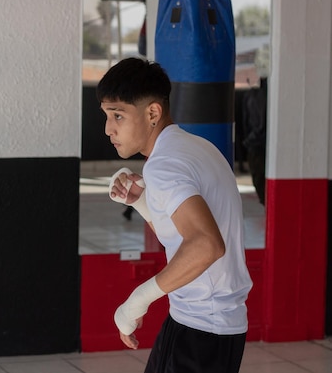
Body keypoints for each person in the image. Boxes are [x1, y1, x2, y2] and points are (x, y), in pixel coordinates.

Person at [97, 58, 253, 373]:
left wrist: (137, 300)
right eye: (106, 115)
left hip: (203, 328)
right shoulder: (198, 147)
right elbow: (184, 235)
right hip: (196, 320)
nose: (108, 128)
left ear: (152, 113)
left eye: (118, 115)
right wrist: (141, 202)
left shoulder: (164, 164)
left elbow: (206, 245)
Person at [242, 77, 267, 205]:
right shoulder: (271, 97)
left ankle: (264, 201)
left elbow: (246, 122)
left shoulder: (251, 95)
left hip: (254, 143)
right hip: (265, 143)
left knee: (258, 178)